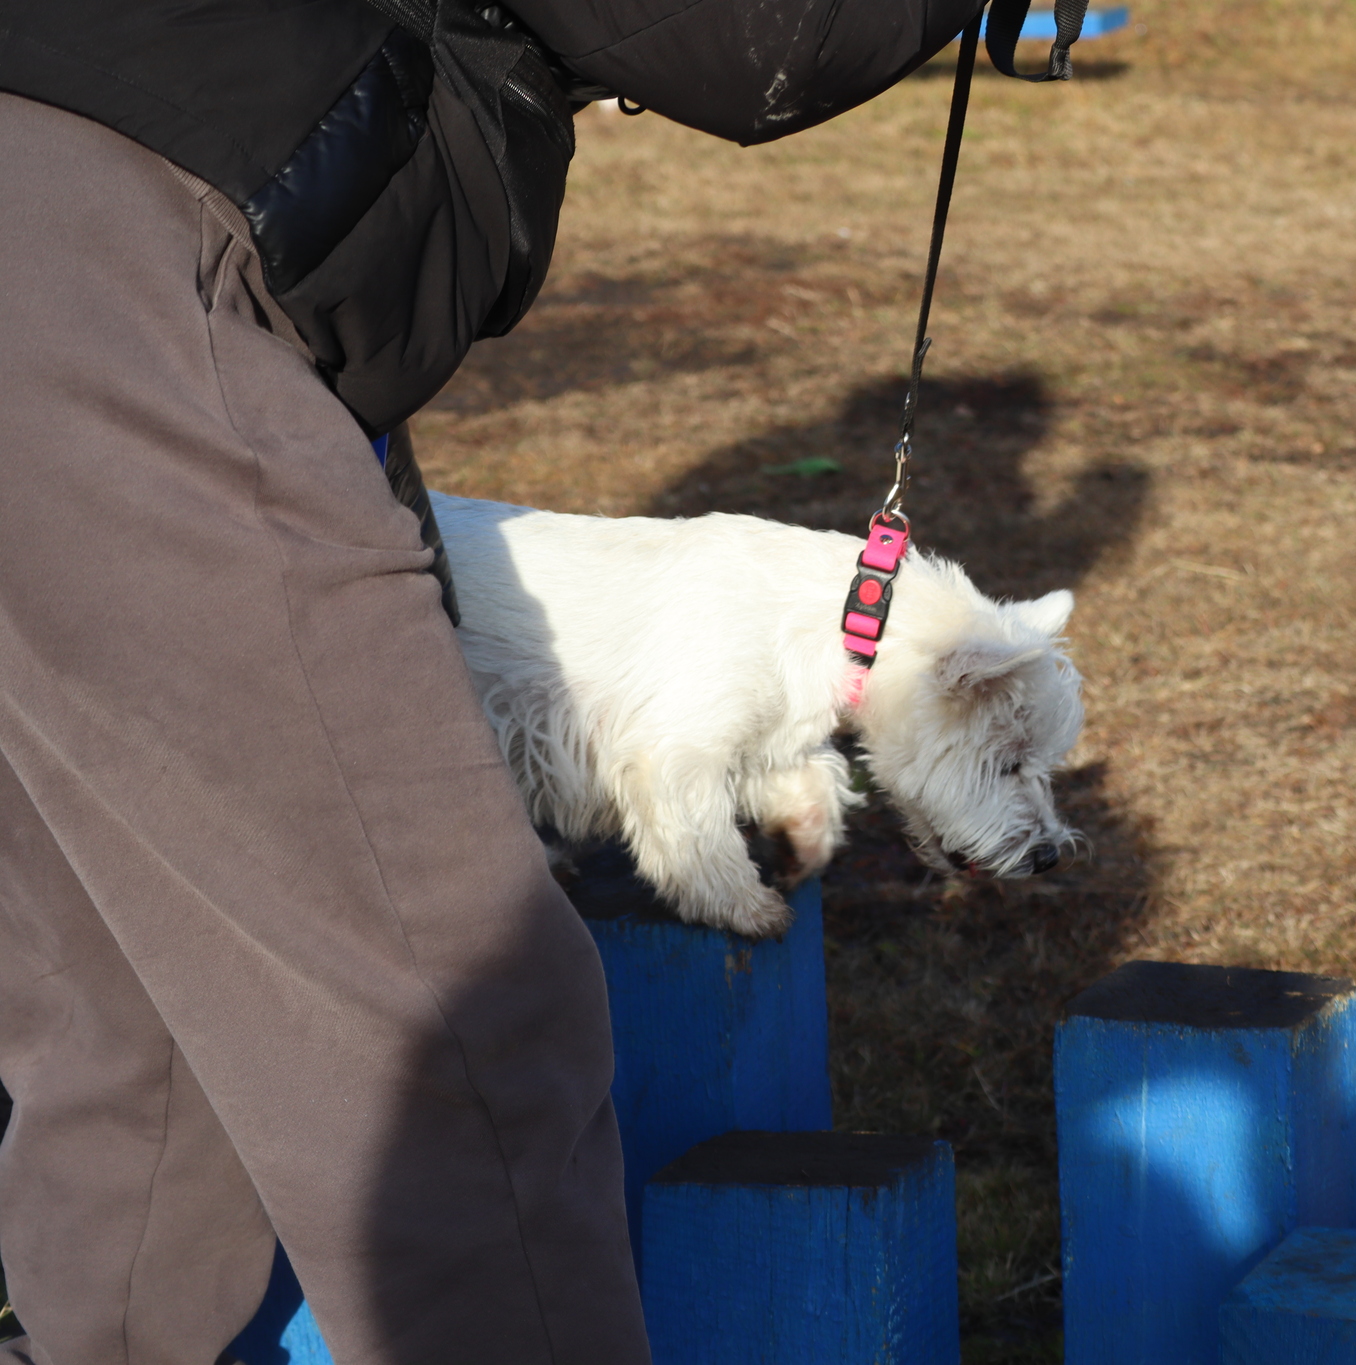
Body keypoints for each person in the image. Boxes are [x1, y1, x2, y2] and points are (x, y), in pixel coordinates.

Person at [0, 0, 1012, 1357]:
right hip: (114, 257)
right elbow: (748, 35)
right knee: (470, 1033)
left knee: (129, 1016)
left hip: (61, 167)